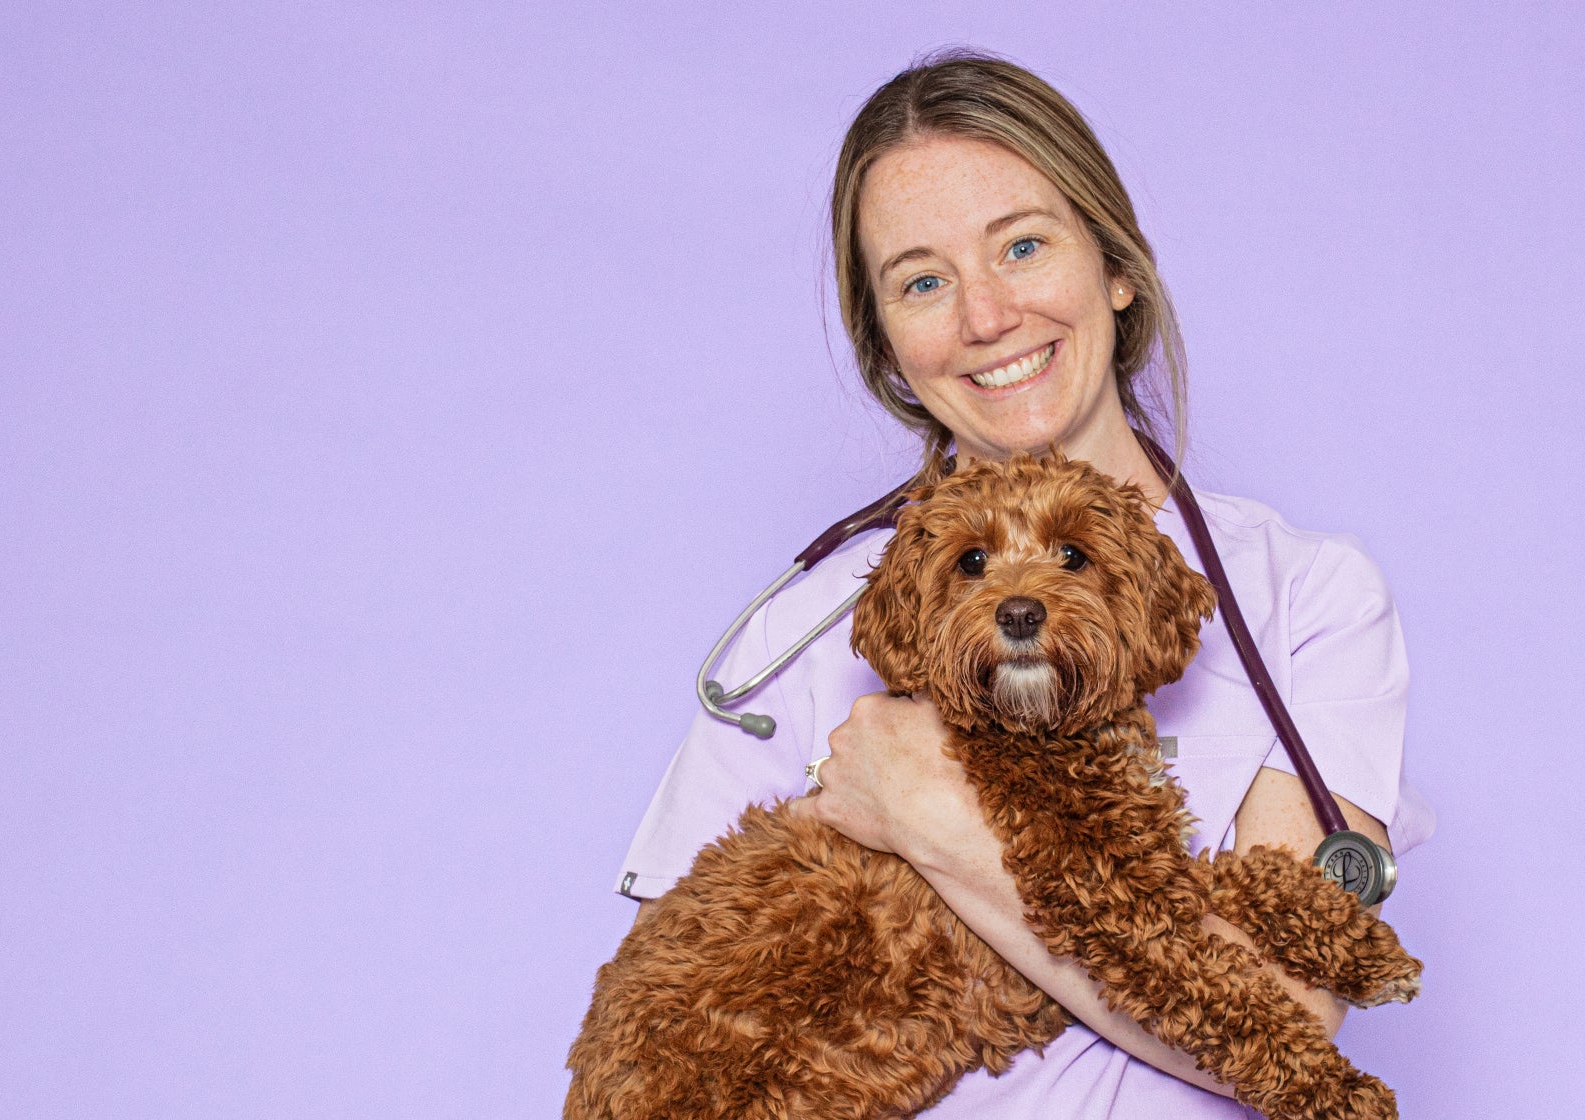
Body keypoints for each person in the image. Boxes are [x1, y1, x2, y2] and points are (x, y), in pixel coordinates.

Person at [609, 50, 1433, 1116]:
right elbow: (678, 1026)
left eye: (1023, 246)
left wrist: (931, 816)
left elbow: (1281, 1006)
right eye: (921, 281)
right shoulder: (810, 624)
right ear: (888, 348)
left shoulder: (1306, 594)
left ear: (1116, 268)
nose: (985, 315)